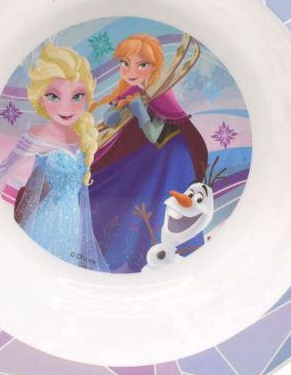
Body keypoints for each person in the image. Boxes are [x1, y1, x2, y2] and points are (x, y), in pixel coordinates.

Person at [88, 34, 208, 272]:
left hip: (170, 155)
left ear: (154, 66)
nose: (132, 71)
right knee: (114, 184)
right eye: (125, 63)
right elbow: (113, 120)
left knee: (156, 201)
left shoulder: (161, 94)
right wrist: (116, 111)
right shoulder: (132, 90)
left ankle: (152, 257)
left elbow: (155, 134)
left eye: (141, 64)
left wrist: (140, 111)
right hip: (148, 154)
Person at [0, 44, 107, 271]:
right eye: (54, 96)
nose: (66, 106)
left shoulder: (81, 136)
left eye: (77, 96)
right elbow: (2, 172)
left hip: (73, 222)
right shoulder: (38, 135)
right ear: (41, 99)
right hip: (46, 220)